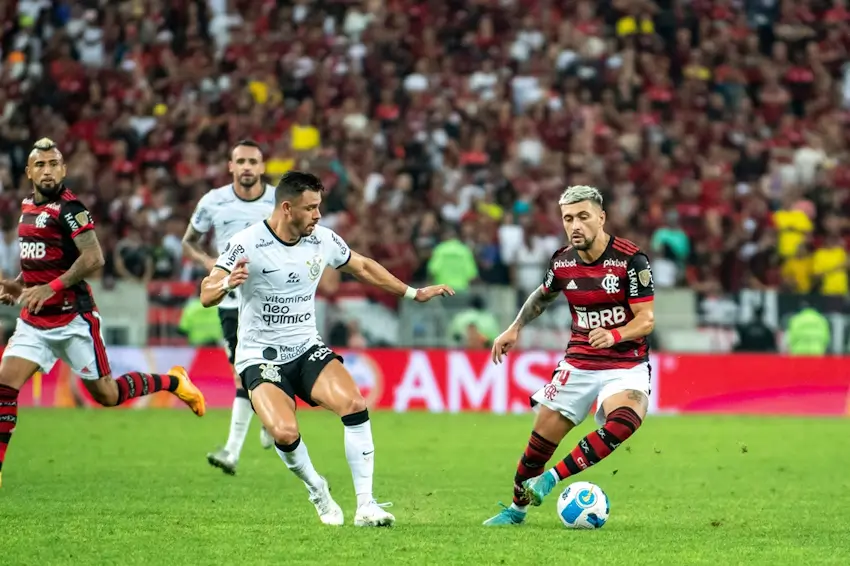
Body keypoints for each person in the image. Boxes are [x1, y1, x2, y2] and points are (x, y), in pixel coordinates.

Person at [199, 171, 454, 527]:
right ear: (287, 208)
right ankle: (317, 488)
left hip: (305, 347)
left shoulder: (322, 239)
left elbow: (363, 266)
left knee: (354, 403)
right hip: (260, 356)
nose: (319, 215)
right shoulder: (247, 243)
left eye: (320, 207)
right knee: (284, 433)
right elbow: (206, 292)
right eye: (311, 208)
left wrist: (414, 293)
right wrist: (227, 282)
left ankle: (366, 505)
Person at [0, 138, 205, 488]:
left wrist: (49, 288)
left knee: (107, 396)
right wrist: (20, 286)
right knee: (4, 386)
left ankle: (174, 381)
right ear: (29, 172)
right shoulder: (26, 207)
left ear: (63, 169)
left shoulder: (71, 209)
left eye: (53, 164)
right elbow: (40, 261)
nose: (47, 170)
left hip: (73, 319)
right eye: (40, 165)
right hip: (35, 322)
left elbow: (94, 258)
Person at [483, 185, 655, 526]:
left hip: (626, 364)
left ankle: (552, 479)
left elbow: (646, 320)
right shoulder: (562, 262)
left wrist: (615, 334)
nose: (575, 225)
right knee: (537, 448)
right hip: (578, 364)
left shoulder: (630, 260)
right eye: (568, 218)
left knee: (625, 420)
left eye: (583, 217)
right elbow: (542, 296)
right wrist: (515, 327)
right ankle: (516, 510)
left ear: (601, 218)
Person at [182, 139, 278, 474]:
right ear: (231, 166)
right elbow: (189, 241)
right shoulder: (213, 201)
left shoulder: (279, 201)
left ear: (263, 167)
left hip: (274, 299)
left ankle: (270, 415)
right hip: (232, 300)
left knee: (273, 371)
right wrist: (210, 263)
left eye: (254, 161)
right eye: (242, 161)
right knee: (242, 373)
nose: (248, 167)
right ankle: (232, 452)